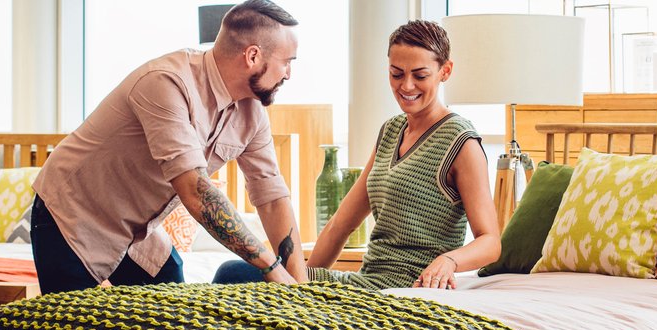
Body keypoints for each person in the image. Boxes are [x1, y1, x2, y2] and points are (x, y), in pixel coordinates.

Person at [30, 0, 306, 294]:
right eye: (287, 62)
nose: (289, 73)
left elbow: (272, 198)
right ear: (252, 56)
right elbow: (197, 193)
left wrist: (301, 291)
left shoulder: (252, 113)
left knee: (174, 308)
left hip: (137, 229)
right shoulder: (166, 83)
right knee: (74, 321)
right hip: (72, 215)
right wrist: (271, 267)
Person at [213, 20, 499, 290]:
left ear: (445, 71)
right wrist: (301, 286)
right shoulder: (391, 130)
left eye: (420, 75)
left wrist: (449, 261)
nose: (406, 86)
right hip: (368, 281)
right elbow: (341, 224)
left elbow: (490, 241)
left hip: (408, 288)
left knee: (234, 274)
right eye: (396, 74)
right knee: (235, 272)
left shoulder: (460, 141)